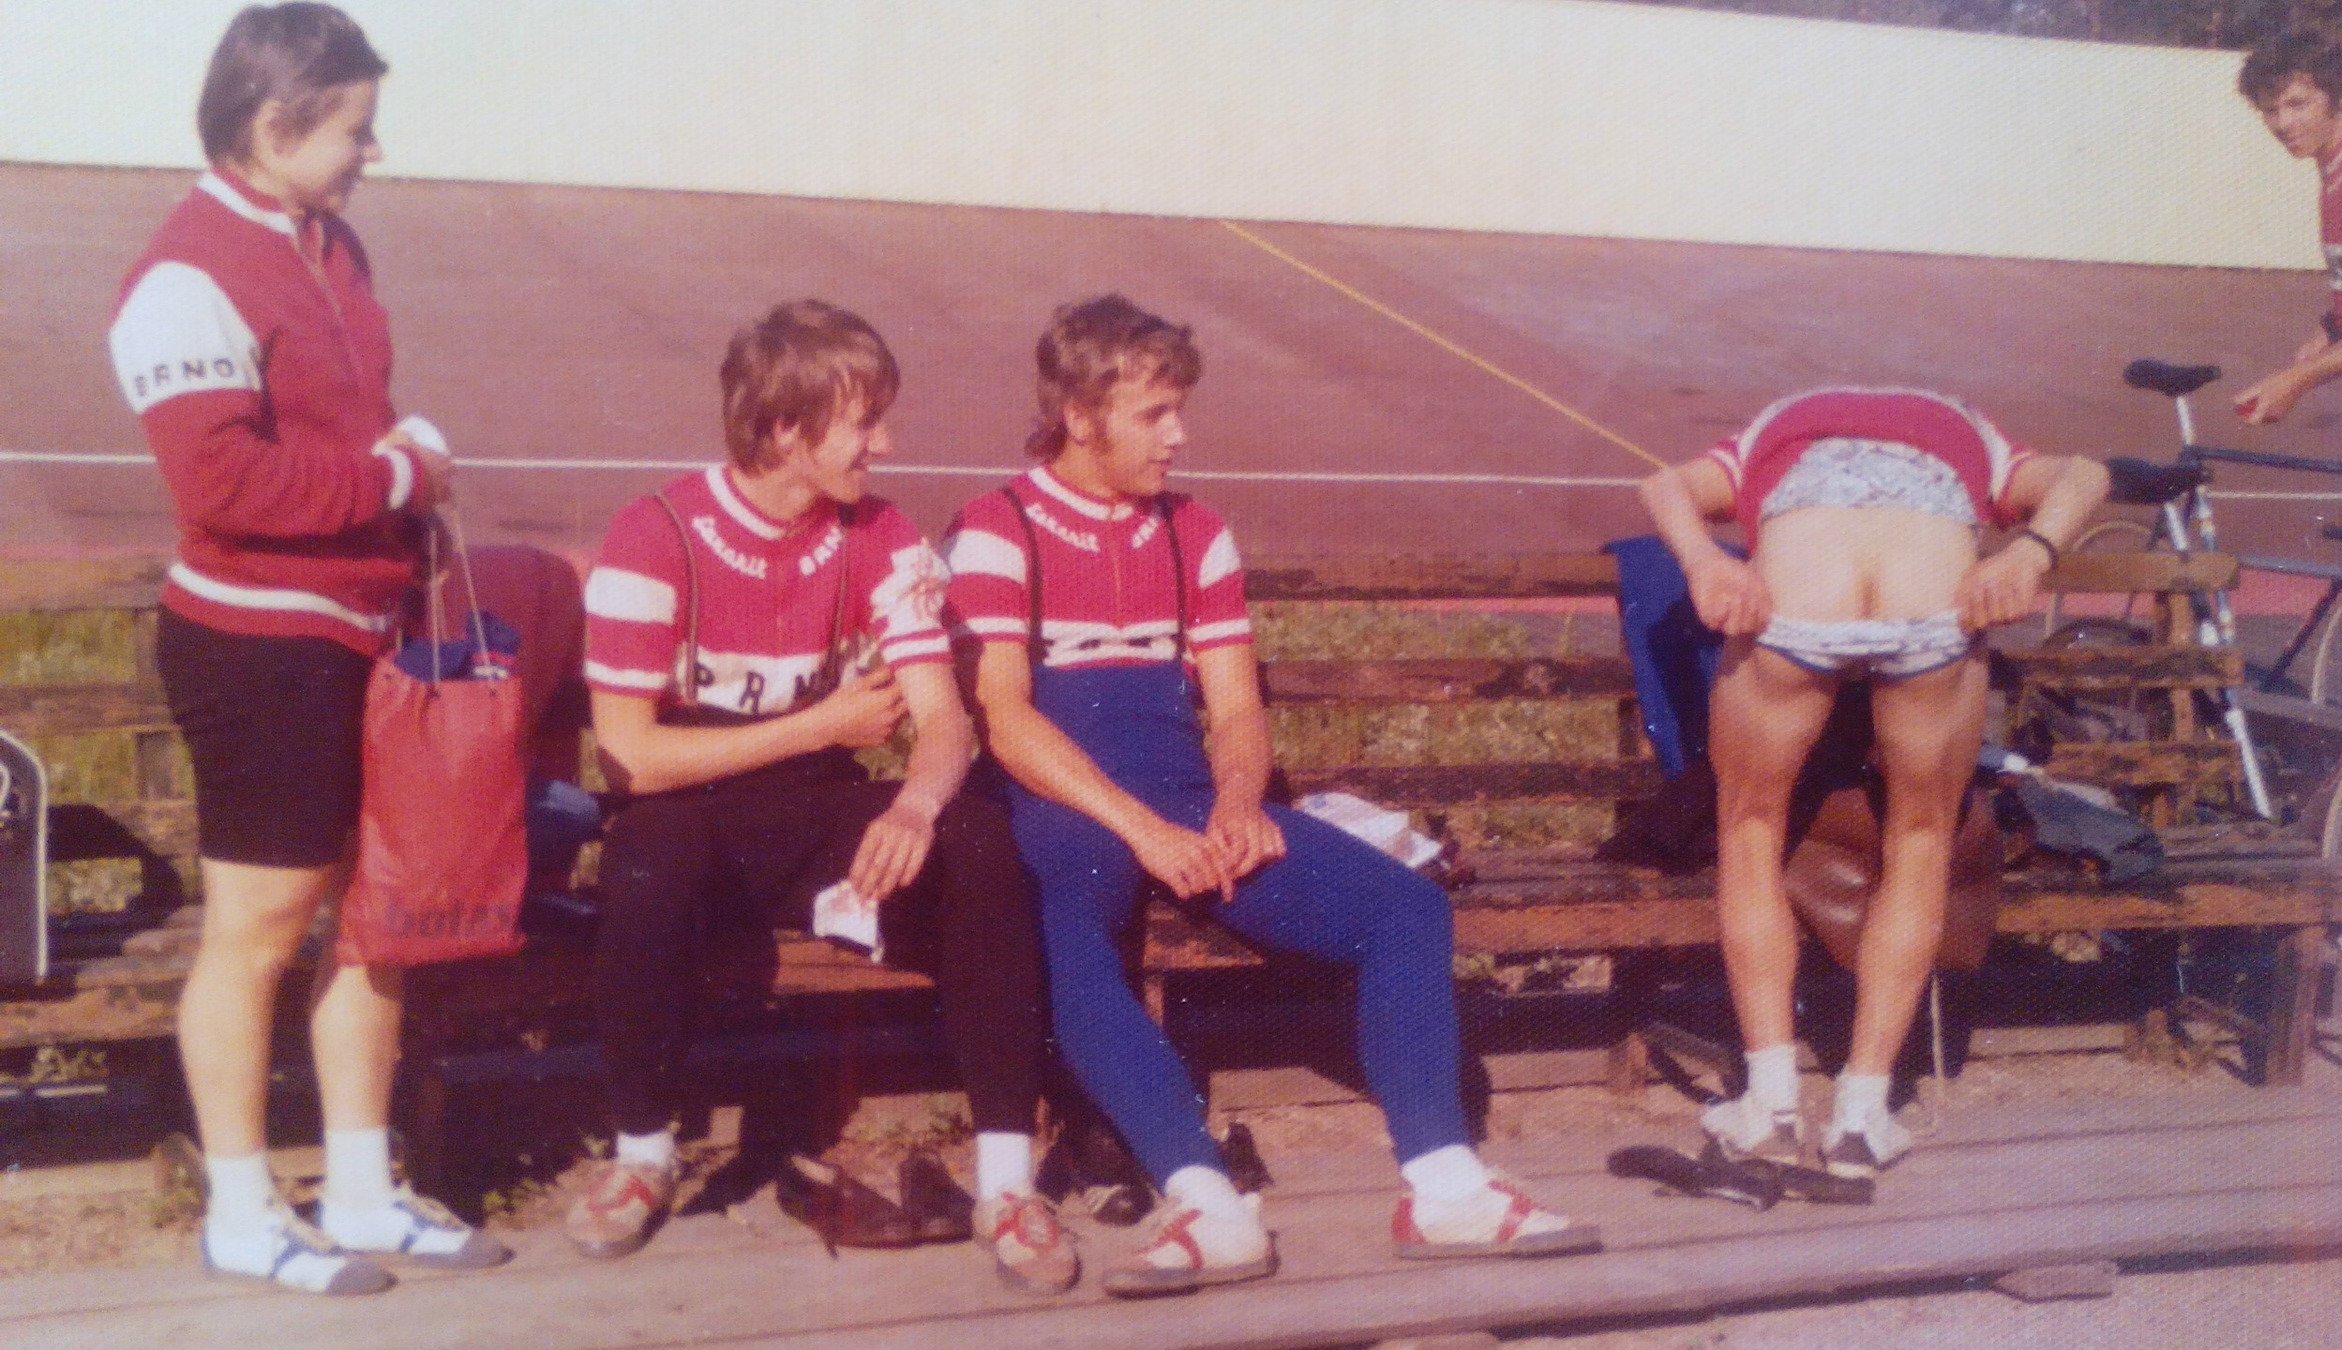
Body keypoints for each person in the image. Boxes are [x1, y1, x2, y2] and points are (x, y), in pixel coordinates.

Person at [947, 295, 1602, 1298]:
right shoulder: (999, 527)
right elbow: (1004, 717)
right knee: (1067, 933)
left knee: (1404, 908)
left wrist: (1238, 804)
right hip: (1064, 803)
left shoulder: (1196, 532)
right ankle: (1205, 1200)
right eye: (1155, 414)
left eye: (1180, 409)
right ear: (1079, 416)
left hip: (1186, 798)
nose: (1179, 434)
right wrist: (1142, 831)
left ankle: (1443, 1188)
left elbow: (1236, 710)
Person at [105, 4, 505, 1295]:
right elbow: (224, 485)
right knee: (259, 928)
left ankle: (364, 1186)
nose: (372, 152)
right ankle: (240, 1208)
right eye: (354, 129)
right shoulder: (182, 277)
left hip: (357, 634)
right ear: (273, 126)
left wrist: (400, 482)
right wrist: (396, 477)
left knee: (372, 915)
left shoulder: (331, 242)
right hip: (257, 649)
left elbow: (342, 423)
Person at [568, 300, 1075, 1295]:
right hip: (692, 798)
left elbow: (944, 722)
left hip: (817, 805)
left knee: (980, 842)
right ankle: (642, 1156)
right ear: (783, 428)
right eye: (863, 423)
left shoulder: (879, 533)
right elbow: (631, 760)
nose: (884, 444)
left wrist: (914, 807)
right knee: (647, 863)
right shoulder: (653, 532)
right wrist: (817, 726)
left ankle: (1007, 1183)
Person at [1638, 387, 2106, 1178]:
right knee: (1920, 842)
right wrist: (2029, 552)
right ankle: (1860, 1120)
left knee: (1749, 831)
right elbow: (2087, 473)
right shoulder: (1971, 433)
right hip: (1934, 608)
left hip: (1795, 605)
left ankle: (1770, 1107)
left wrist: (1705, 561)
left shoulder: (1772, 430)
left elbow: (1662, 485)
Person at [2231, 31, 2342, 457]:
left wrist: (2299, 379)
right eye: (2271, 110)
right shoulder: (2341, 163)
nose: (2283, 123)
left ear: (2340, 96)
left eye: (2298, 104)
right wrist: (2334, 327)